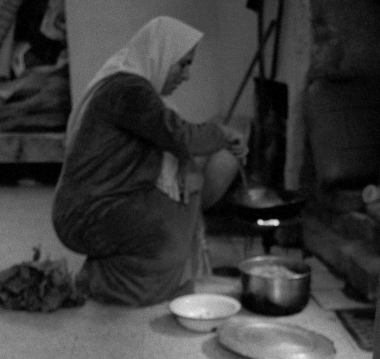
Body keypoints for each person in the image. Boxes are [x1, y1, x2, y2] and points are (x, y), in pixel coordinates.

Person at [52, 16, 247, 306]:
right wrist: (224, 134)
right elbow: (180, 135)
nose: (187, 75)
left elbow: (173, 134)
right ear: (160, 54)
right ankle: (109, 286)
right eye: (183, 64)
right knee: (167, 234)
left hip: (104, 203)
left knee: (182, 205)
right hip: (85, 213)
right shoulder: (127, 90)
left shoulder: (131, 86)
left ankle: (106, 275)